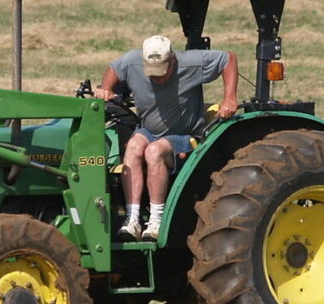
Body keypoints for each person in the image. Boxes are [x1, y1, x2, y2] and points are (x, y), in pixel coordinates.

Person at [96, 35, 238, 241]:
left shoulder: (192, 63)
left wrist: (229, 98)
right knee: (134, 145)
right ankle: (132, 218)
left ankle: (156, 221)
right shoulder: (132, 61)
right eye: (152, 73)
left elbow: (228, 59)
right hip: (148, 130)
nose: (157, 78)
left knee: (154, 151)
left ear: (172, 60)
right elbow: (114, 69)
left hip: (183, 135)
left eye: (162, 73)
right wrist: (106, 88)